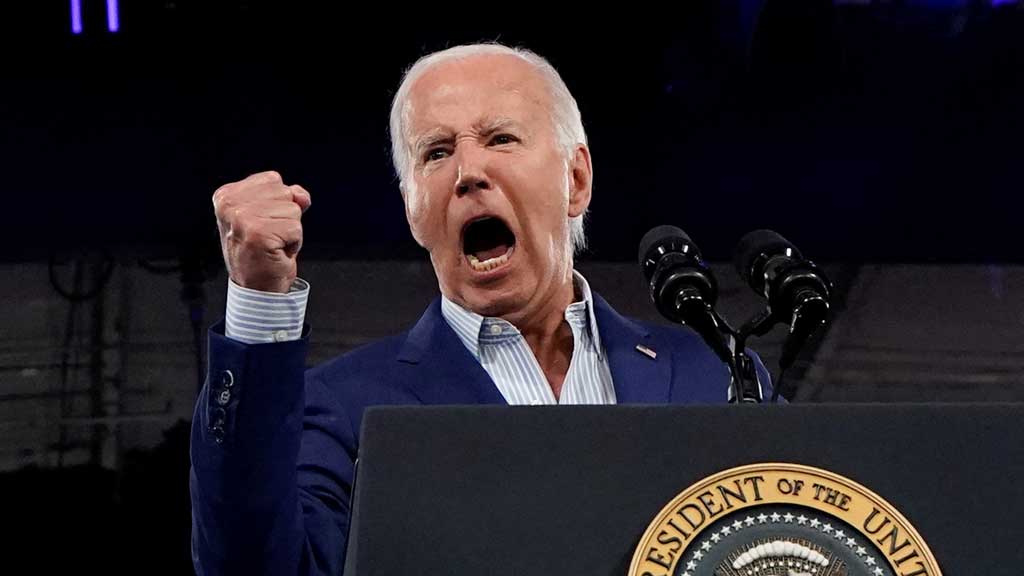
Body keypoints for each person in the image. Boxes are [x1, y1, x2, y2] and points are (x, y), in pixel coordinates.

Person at [190, 42, 768, 575]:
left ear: (575, 179)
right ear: (413, 209)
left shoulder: (715, 375)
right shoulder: (344, 406)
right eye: (437, 152)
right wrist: (259, 303)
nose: (468, 173)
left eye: (501, 139)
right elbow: (250, 566)